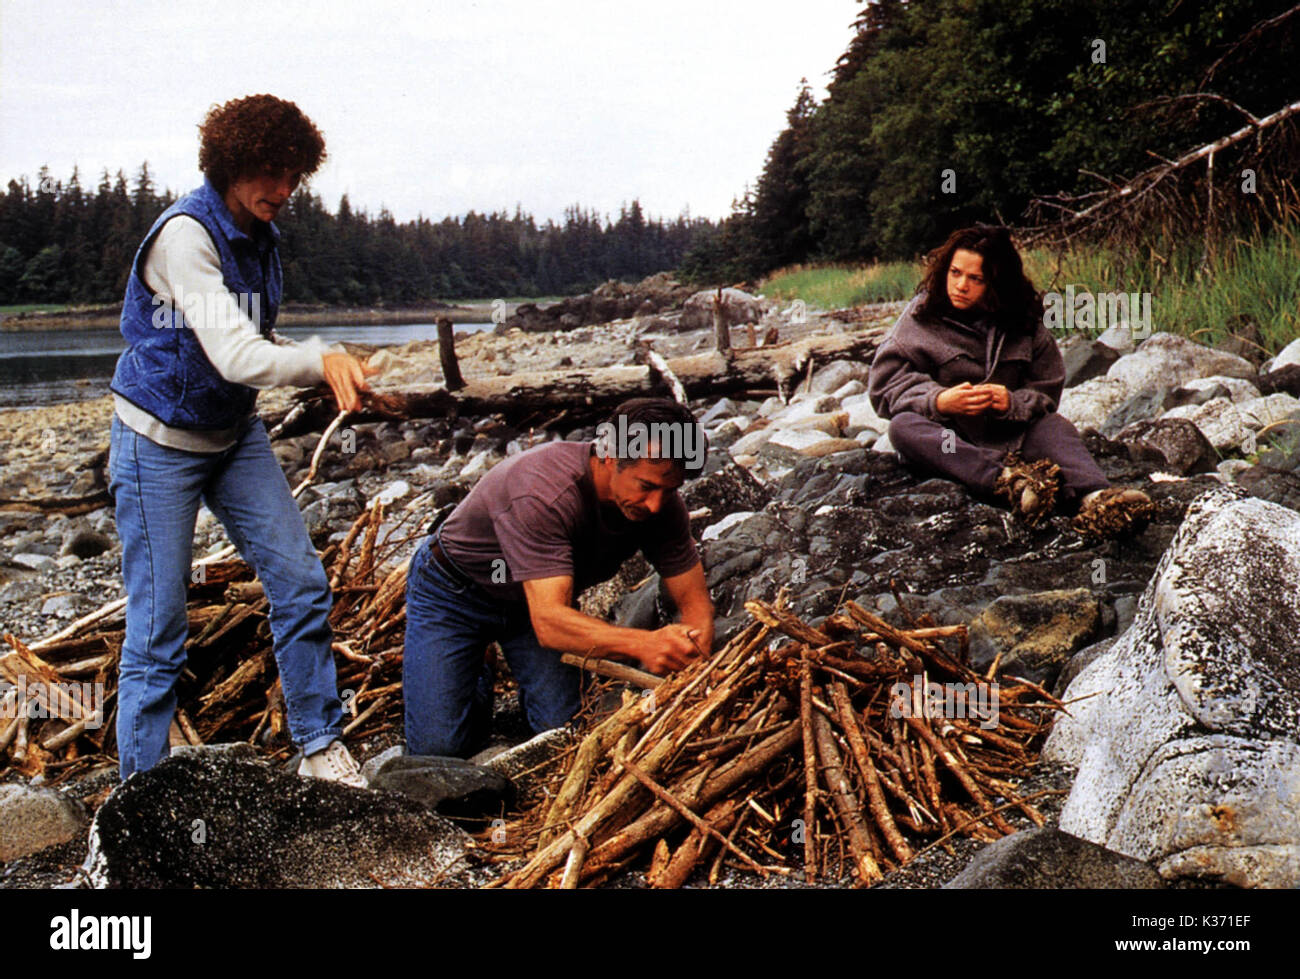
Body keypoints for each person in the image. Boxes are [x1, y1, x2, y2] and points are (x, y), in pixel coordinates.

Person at [108, 94, 377, 786]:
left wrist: (327, 370)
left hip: (231, 436)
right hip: (157, 444)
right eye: (270, 173)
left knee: (301, 582)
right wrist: (319, 358)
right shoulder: (184, 239)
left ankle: (319, 744)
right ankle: (137, 799)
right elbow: (234, 354)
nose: (284, 191)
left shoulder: (260, 237)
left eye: (294, 175)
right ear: (230, 164)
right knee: (159, 634)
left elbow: (254, 345)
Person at [402, 397, 715, 758]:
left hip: (536, 604)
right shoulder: (543, 493)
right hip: (455, 593)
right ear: (610, 457)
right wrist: (645, 644)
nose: (656, 505)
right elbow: (550, 625)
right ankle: (475, 666)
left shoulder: (661, 508)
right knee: (438, 752)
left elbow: (694, 603)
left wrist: (696, 673)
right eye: (645, 486)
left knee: (568, 735)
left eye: (669, 489)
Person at [867, 224, 1151, 533]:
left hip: (1015, 435)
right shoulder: (920, 317)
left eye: (975, 279)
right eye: (955, 273)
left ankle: (1098, 499)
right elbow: (884, 387)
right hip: (952, 439)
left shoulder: (1024, 320)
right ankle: (1010, 485)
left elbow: (1046, 392)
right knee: (903, 428)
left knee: (1054, 426)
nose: (961, 285)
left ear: (997, 283)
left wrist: (1011, 403)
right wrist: (938, 400)